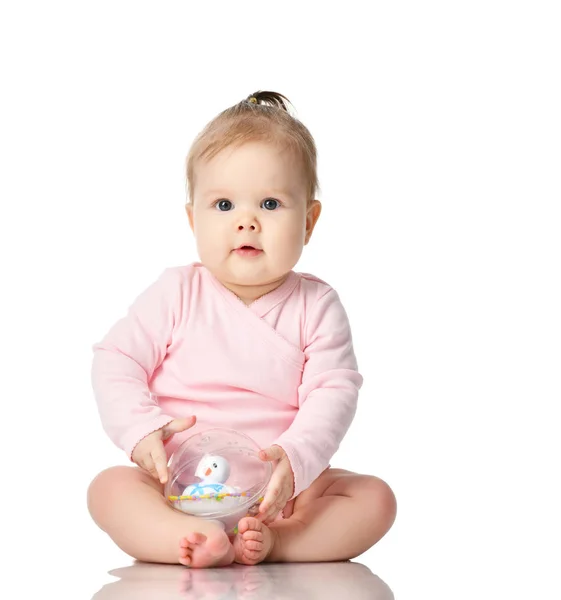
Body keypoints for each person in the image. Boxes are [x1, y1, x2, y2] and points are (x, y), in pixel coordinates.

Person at [87, 91, 396, 568]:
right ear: (193, 219)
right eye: (224, 204)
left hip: (282, 494)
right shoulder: (177, 292)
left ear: (309, 221)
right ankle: (187, 536)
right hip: (178, 484)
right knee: (109, 489)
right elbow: (116, 359)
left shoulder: (317, 304)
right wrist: (141, 429)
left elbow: (334, 390)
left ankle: (281, 542)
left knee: (374, 499)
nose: (247, 222)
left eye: (271, 204)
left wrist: (295, 459)